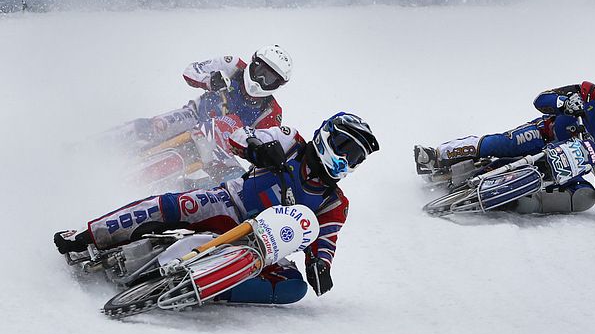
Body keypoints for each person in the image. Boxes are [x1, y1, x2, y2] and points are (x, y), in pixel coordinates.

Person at [55, 112, 379, 304]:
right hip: (228, 204)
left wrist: (320, 267)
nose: (347, 161)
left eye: (356, 158)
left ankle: (207, 288)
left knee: (294, 288)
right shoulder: (289, 141)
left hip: (261, 247)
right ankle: (88, 234)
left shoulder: (335, 202)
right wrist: (254, 145)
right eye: (346, 150)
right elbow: (226, 127)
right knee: (173, 205)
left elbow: (325, 243)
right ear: (328, 136)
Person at [414, 77, 595, 213]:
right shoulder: (587, 94)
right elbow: (541, 100)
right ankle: (437, 156)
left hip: (565, 169)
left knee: (584, 197)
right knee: (502, 143)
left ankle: (516, 201)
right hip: (542, 136)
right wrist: (564, 102)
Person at [134, 44, 293, 145]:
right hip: (194, 115)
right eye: (261, 72)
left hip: (221, 148)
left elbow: (263, 144)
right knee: (157, 125)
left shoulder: (272, 111)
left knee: (227, 180)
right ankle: (118, 138)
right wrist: (210, 80)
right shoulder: (233, 65)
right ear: (254, 63)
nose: (262, 80)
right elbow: (191, 70)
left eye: (270, 79)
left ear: (277, 84)